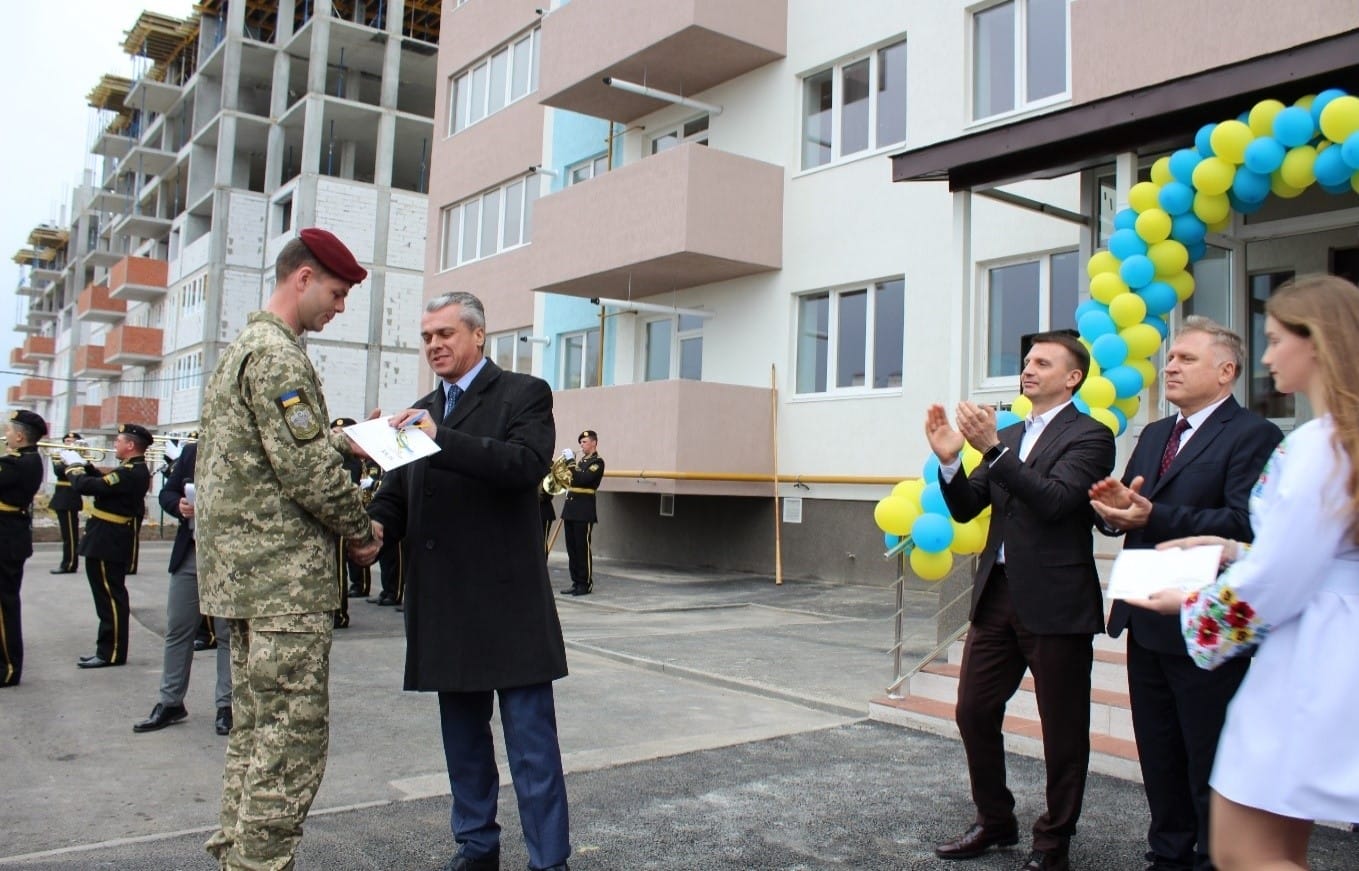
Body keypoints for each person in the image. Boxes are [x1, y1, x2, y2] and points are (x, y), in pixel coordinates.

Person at [1134, 274, 1359, 871]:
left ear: (1318, 342)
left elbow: (1285, 575)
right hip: (1327, 638)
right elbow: (1310, 547)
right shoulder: (1336, 439)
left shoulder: (1320, 444)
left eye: (1277, 338)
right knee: (1272, 845)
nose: (1266, 355)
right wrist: (1235, 553)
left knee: (1243, 852)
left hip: (1310, 650)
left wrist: (1194, 606)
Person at [196, 227, 382, 870]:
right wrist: (362, 531)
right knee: (290, 745)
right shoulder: (278, 357)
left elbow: (263, 457)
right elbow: (306, 476)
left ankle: (236, 855)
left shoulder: (242, 350)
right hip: (282, 585)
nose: (338, 308)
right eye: (334, 293)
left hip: (245, 584)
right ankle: (259, 864)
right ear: (302, 278)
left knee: (253, 734)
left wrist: (346, 442)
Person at [370, 290, 571, 871]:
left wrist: (440, 436)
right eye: (427, 337)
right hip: (445, 605)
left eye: (445, 334)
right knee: (463, 742)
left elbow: (523, 465)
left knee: (531, 748)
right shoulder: (420, 408)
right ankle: (476, 846)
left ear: (478, 335)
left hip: (508, 606)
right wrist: (376, 531)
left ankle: (548, 861)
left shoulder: (522, 394)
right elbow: (394, 496)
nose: (435, 345)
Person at [1089, 318, 1281, 871]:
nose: (1169, 366)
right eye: (1169, 358)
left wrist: (1157, 514)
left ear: (1226, 372)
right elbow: (1132, 506)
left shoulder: (1254, 435)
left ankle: (1212, 858)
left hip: (1204, 625)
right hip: (1145, 615)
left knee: (1207, 755)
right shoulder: (1153, 434)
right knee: (1159, 754)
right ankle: (1167, 855)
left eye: (1186, 359)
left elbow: (1246, 523)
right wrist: (1110, 513)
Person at [925, 332, 1115, 871]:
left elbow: (1055, 503)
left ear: (1072, 377)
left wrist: (993, 450)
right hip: (998, 596)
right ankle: (996, 821)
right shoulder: (1008, 435)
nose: (1027, 369)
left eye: (1042, 363)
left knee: (1063, 728)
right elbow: (966, 508)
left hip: (1057, 600)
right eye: (1026, 360)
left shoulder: (1092, 436)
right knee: (974, 711)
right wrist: (948, 463)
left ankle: (1053, 844)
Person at [132, 442, 234, 736]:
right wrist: (178, 505)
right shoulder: (193, 451)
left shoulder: (245, 447)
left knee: (227, 633)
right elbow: (167, 492)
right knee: (178, 629)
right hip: (191, 551)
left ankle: (227, 705)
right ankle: (170, 701)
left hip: (229, 557)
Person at [63, 422, 153, 669]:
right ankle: (107, 649)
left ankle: (110, 652)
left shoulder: (131, 472)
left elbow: (89, 487)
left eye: (119, 440)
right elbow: (104, 483)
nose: (115, 444)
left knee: (110, 598)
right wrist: (86, 464)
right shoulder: (128, 469)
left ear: (131, 445)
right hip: (105, 536)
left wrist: (72, 466)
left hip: (108, 539)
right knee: (106, 596)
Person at [0, 409, 48, 687]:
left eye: (8, 431)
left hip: (6, 539)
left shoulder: (19, 464)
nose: (5, 435)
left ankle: (7, 667)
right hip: (9, 534)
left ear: (19, 436)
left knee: (4, 605)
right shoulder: (20, 460)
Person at [560, 430, 603, 596]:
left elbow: (582, 480)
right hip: (571, 510)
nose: (581, 445)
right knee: (572, 549)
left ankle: (585, 584)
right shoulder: (579, 463)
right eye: (581, 442)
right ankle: (576, 581)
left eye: (584, 442)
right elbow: (570, 478)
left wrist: (571, 462)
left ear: (594, 443)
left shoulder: (597, 462)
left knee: (582, 548)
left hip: (584, 511)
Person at [49, 431, 83, 575]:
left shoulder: (81, 456)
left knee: (70, 535)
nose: (69, 443)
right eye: (67, 440)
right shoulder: (59, 455)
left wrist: (74, 459)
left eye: (73, 440)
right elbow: (58, 471)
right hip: (61, 497)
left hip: (71, 498)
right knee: (66, 535)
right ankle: (68, 562)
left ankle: (69, 564)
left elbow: (83, 472)